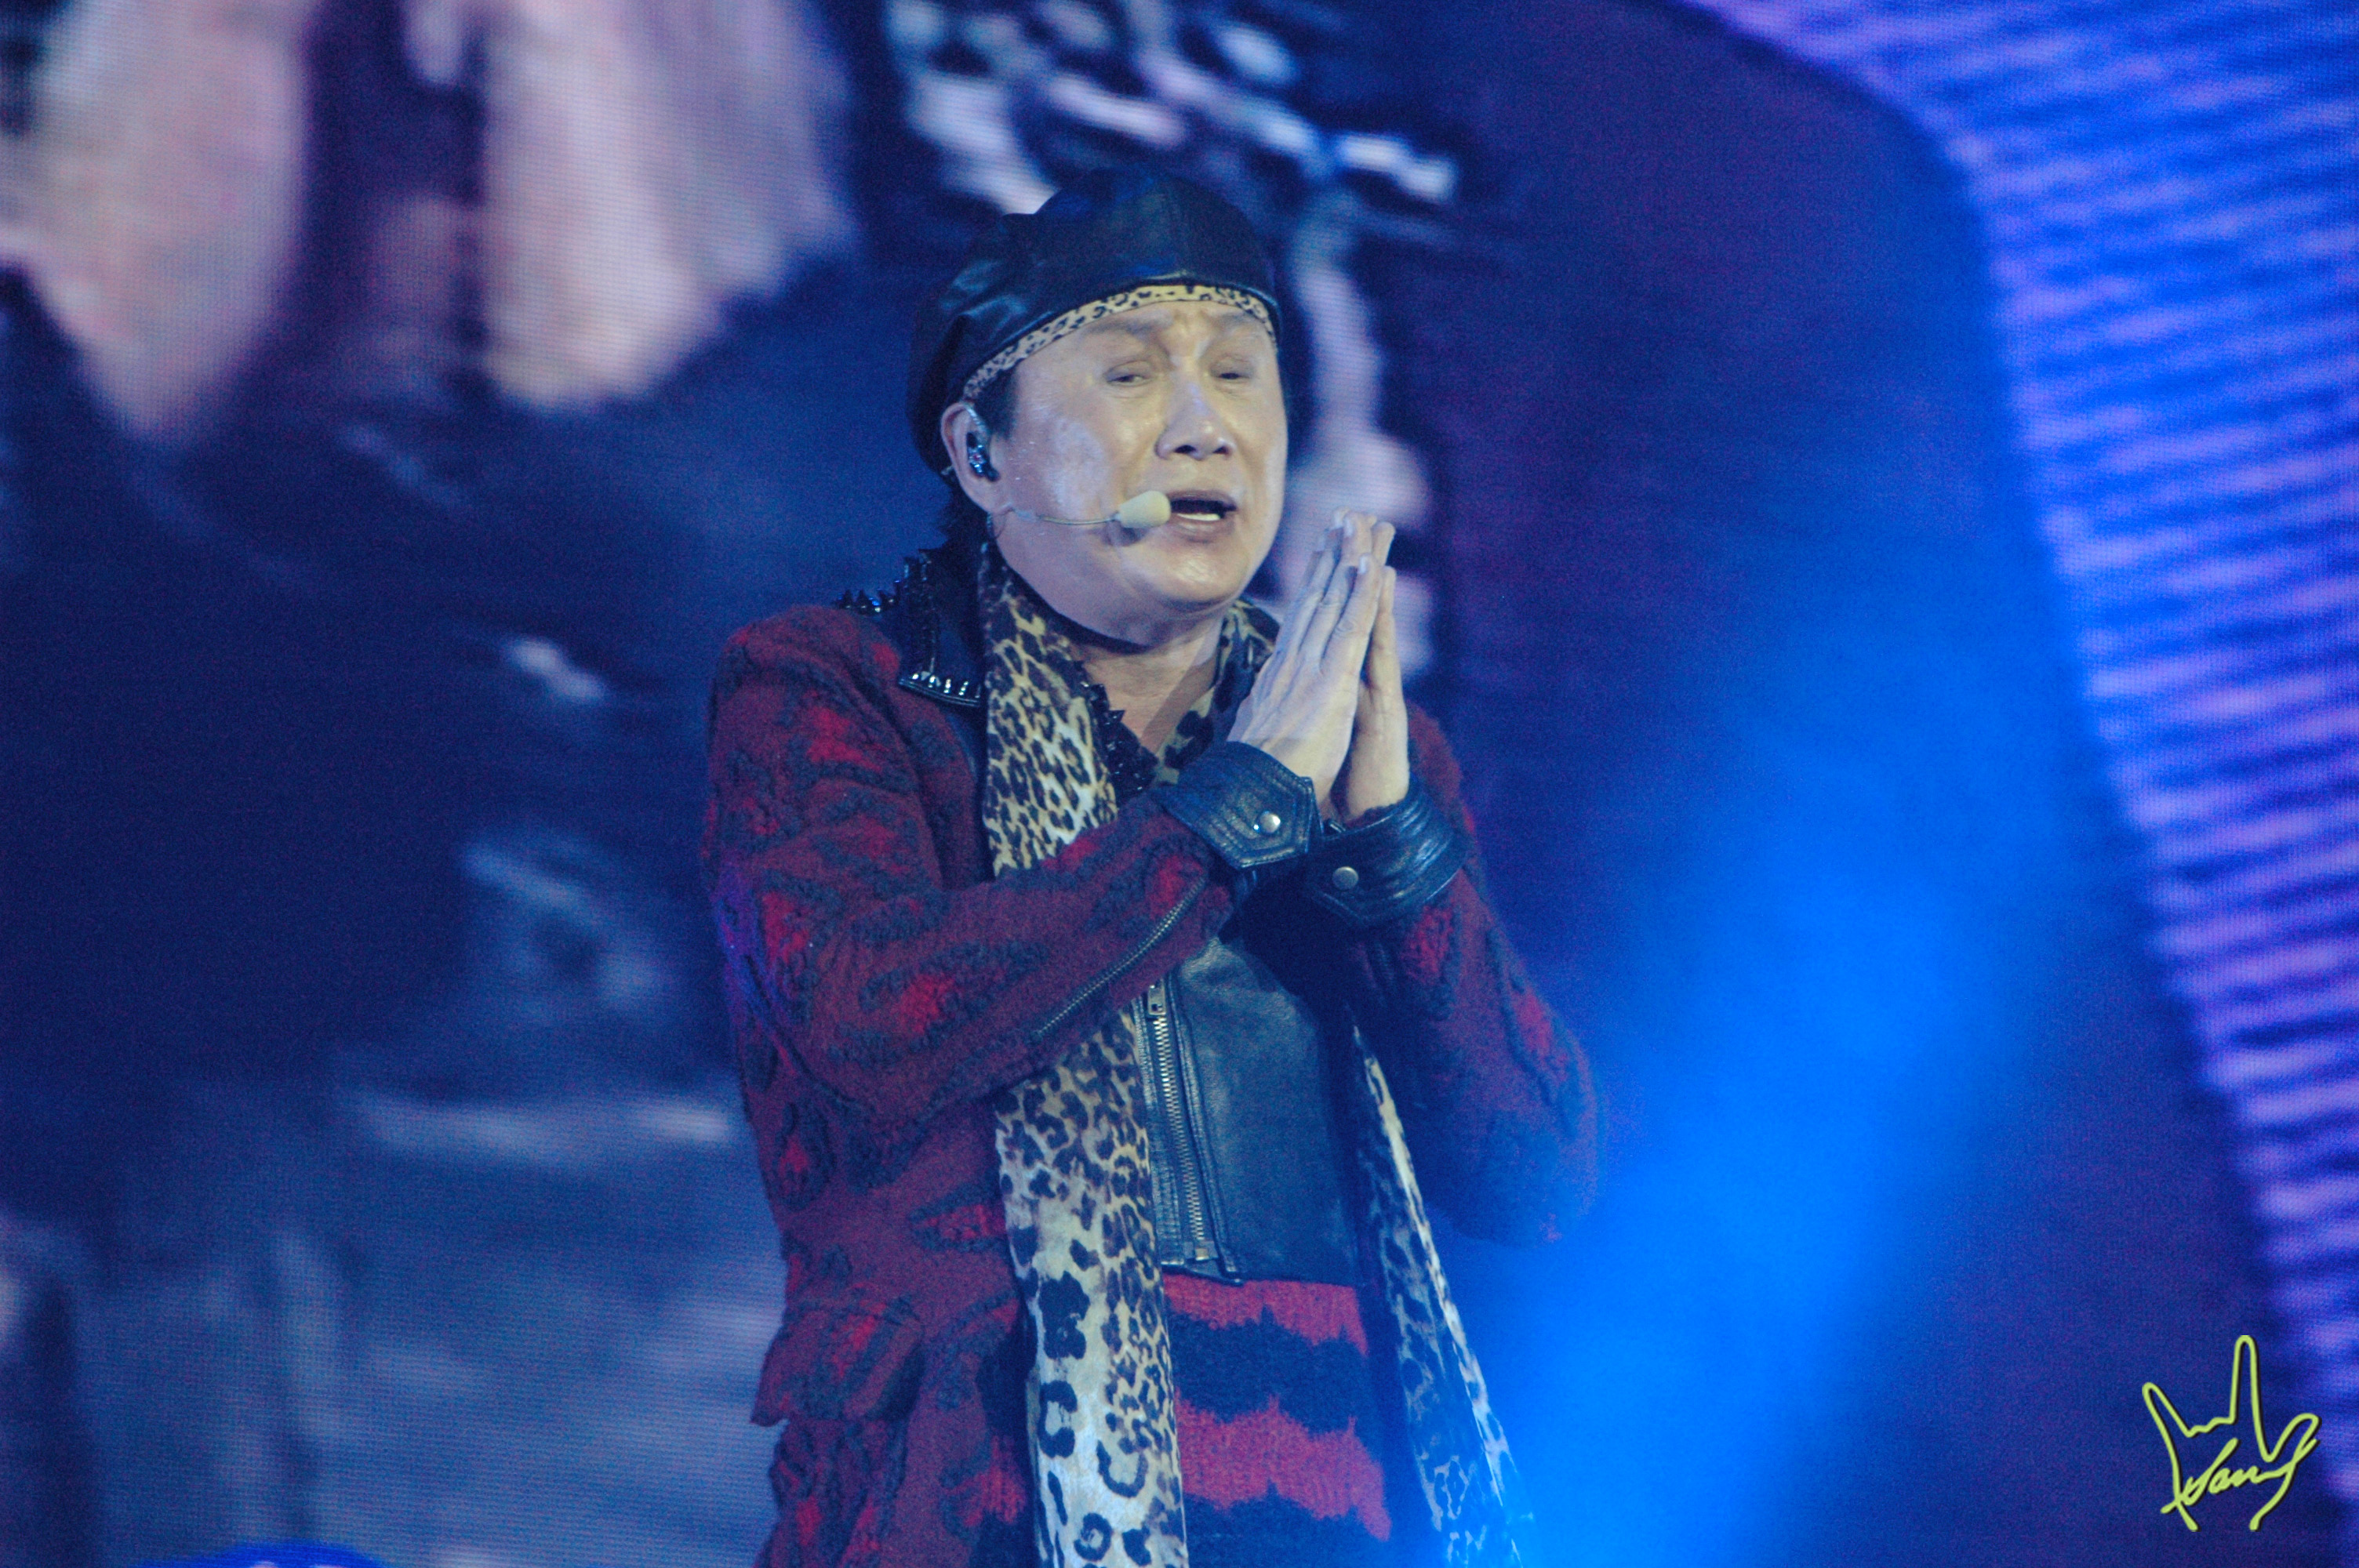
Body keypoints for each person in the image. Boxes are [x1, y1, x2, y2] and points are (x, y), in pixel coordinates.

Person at [700, 169, 1596, 1568]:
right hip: (976, 1507)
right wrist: (1232, 810)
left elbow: (1531, 1177)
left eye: (1240, 373)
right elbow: (870, 1027)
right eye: (1130, 375)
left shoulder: (1361, 736)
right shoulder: (840, 689)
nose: (1205, 425)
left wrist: (1393, 851)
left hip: (1330, 1507)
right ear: (981, 455)